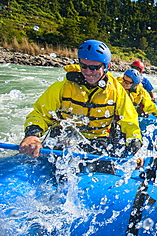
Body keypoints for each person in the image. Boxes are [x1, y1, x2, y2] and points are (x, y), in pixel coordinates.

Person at [19, 40, 142, 173]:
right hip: (64, 136)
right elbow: (40, 113)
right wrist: (32, 135)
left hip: (97, 138)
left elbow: (129, 120)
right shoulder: (64, 85)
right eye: (84, 66)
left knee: (105, 167)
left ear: (107, 66)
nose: (88, 72)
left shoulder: (116, 90)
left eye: (94, 68)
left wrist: (135, 146)